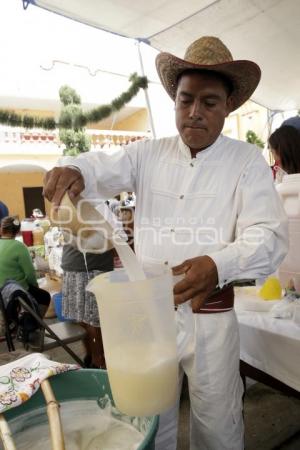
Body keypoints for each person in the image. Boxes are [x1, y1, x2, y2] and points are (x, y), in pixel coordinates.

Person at [43, 36, 288, 450]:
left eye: (209, 102)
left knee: (217, 422)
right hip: (149, 315)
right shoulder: (146, 154)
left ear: (229, 106)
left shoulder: (245, 162)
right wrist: (74, 168)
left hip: (209, 315)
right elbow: (98, 166)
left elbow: (269, 236)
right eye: (185, 100)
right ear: (174, 100)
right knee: (148, 415)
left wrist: (217, 264)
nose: (194, 113)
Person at [61, 244, 114, 368]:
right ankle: (98, 362)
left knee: (83, 319)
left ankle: (90, 357)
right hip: (91, 267)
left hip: (73, 263)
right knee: (93, 320)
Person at [0, 216, 50, 315]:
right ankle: (35, 324)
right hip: (15, 292)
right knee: (44, 296)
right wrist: (35, 286)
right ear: (18, 231)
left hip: (1, 292)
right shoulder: (20, 247)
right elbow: (30, 274)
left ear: (1, 230)